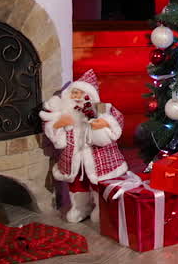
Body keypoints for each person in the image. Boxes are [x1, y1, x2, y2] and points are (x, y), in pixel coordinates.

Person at [39, 69, 128, 222]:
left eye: (80, 94)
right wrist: (60, 124)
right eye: (73, 94)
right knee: (77, 184)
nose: (77, 98)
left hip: (98, 155)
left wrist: (104, 123)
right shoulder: (66, 114)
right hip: (75, 156)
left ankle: (101, 207)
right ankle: (80, 207)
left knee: (98, 183)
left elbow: (116, 120)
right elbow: (57, 138)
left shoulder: (100, 108)